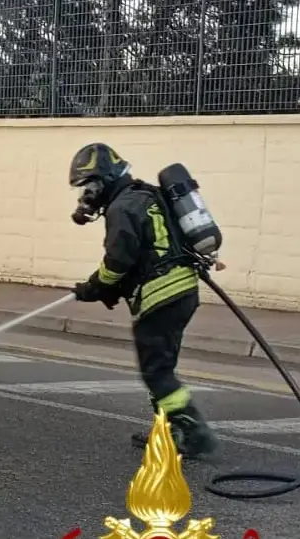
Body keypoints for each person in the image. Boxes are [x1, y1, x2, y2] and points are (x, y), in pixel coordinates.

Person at [67, 142, 218, 457]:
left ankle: (194, 433)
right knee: (162, 366)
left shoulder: (122, 208)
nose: (86, 195)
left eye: (88, 186)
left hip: (160, 298)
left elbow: (118, 261)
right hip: (182, 291)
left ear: (103, 180)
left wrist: (94, 287)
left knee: (156, 372)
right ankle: (169, 431)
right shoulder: (148, 195)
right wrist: (113, 289)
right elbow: (149, 251)